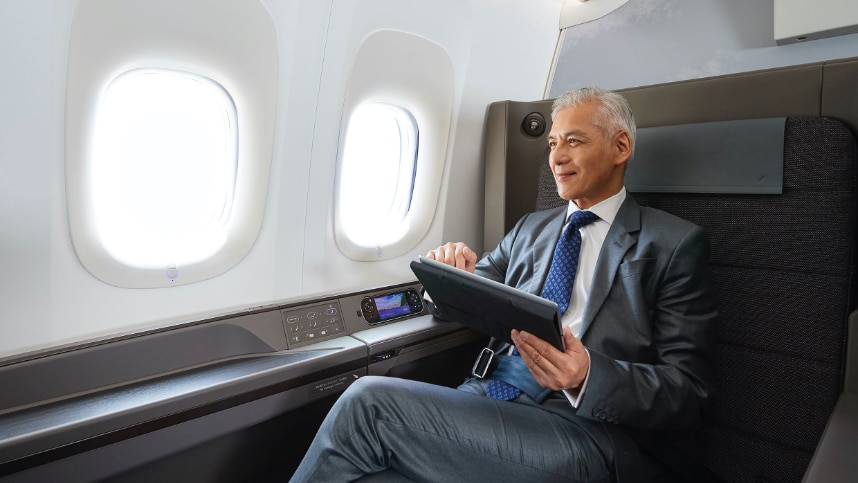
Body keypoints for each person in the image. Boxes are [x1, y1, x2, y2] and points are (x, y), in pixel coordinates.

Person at [289, 87, 717, 482]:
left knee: (368, 405)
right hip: (487, 395)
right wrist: (450, 274)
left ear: (620, 147)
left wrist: (586, 375)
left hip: (581, 426)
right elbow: (469, 295)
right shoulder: (532, 229)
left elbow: (689, 394)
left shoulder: (672, 244)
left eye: (574, 141)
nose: (556, 157)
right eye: (553, 143)